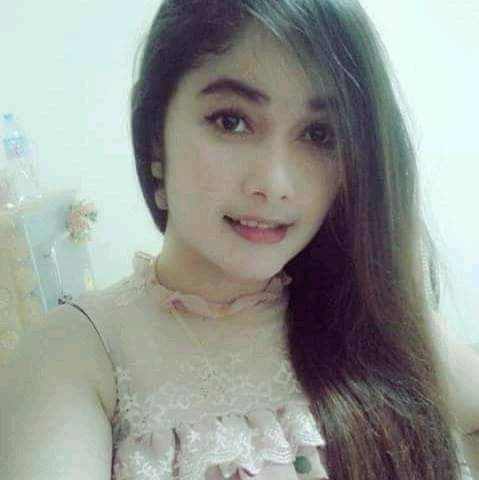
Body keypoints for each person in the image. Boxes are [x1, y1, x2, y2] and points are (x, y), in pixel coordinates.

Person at [0, 1, 474, 479]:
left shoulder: (370, 314)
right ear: (155, 137)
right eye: (231, 121)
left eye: (318, 134)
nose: (274, 183)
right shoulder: (76, 354)